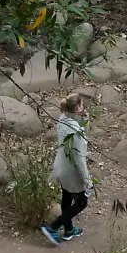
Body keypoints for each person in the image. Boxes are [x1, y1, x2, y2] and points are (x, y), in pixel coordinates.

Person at [40, 93, 91, 245]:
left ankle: (69, 230)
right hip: (72, 172)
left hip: (61, 166)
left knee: (67, 198)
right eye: (81, 105)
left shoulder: (63, 119)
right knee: (81, 203)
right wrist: (88, 181)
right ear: (77, 107)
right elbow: (79, 160)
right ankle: (53, 227)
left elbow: (84, 129)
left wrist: (85, 120)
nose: (84, 107)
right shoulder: (75, 132)